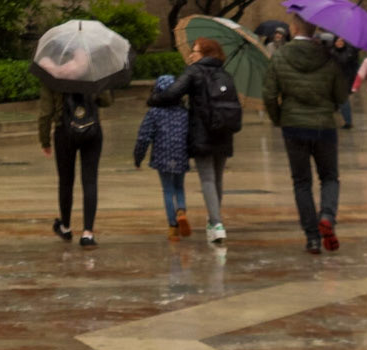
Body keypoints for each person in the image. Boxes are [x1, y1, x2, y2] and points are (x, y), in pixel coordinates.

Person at [262, 14, 350, 254]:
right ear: (315, 30)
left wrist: (279, 118)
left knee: (301, 182)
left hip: (293, 126)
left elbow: (269, 95)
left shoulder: (280, 56)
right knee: (329, 177)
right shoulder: (328, 57)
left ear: (293, 28)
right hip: (324, 125)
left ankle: (312, 237)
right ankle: (328, 218)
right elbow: (341, 97)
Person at [150, 36, 243, 246]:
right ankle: (214, 221)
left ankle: (217, 224)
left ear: (205, 55)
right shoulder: (225, 74)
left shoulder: (194, 71)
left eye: (195, 51)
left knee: (208, 179)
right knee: (217, 179)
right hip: (224, 132)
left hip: (203, 132)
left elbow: (173, 94)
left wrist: (153, 99)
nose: (191, 54)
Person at [38, 80, 112, 247]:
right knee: (90, 181)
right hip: (92, 130)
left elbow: (45, 112)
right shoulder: (92, 69)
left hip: (64, 132)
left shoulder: (51, 73)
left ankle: (65, 227)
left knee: (65, 182)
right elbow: (106, 100)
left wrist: (44, 141)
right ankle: (87, 234)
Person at [134, 74, 192, 240]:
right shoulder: (184, 112)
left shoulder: (154, 113)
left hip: (162, 155)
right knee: (179, 187)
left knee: (168, 190)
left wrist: (138, 158)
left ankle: (173, 227)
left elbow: (143, 137)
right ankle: (181, 210)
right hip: (181, 154)